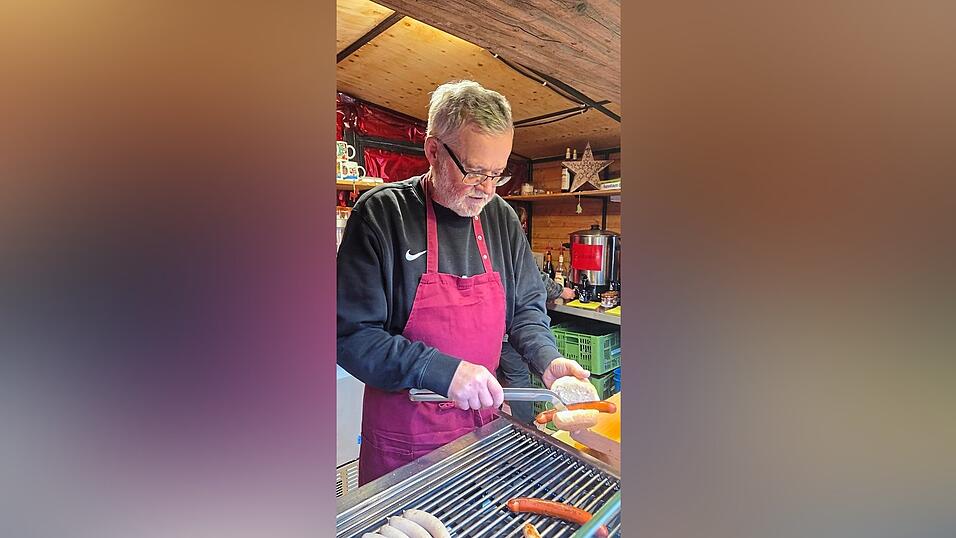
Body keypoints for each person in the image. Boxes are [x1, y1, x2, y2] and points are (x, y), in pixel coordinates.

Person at [336, 80, 590, 486]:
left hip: (480, 434)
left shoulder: (501, 217)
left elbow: (526, 308)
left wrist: (546, 358)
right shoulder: (382, 215)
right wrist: (439, 370)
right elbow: (350, 335)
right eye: (474, 172)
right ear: (433, 151)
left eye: (497, 175)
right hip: (405, 442)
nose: (486, 190)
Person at [500, 204, 577, 423]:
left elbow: (529, 292)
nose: (524, 226)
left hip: (507, 332)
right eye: (522, 222)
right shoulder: (504, 236)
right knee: (518, 377)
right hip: (504, 335)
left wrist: (546, 357)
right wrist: (561, 291)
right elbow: (538, 278)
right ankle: (524, 427)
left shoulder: (508, 240)